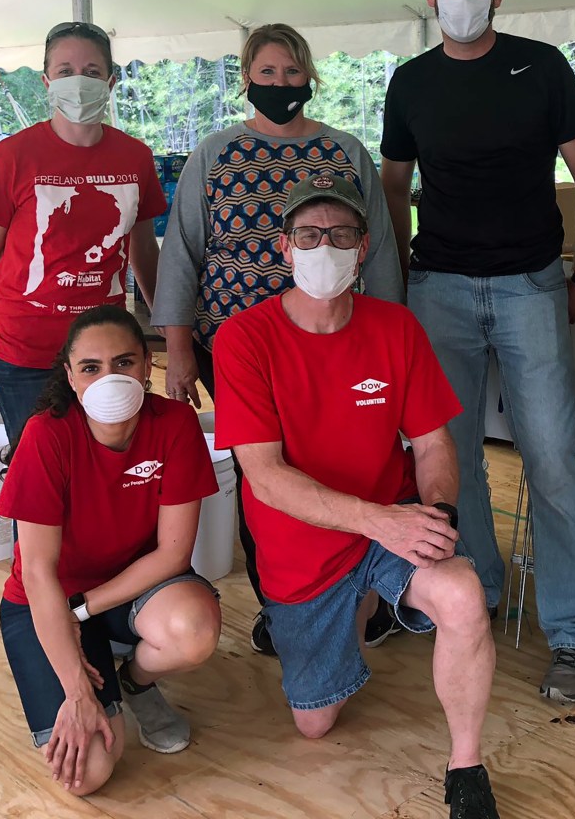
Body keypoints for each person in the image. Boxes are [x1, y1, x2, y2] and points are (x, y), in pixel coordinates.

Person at [212, 175, 501, 819]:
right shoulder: (243, 339)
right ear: (285, 247)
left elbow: (433, 443)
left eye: (341, 234)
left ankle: (466, 766)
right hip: (304, 551)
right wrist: (380, 523)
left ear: (364, 247)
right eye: (309, 234)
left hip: (389, 522)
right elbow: (265, 476)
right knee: (315, 723)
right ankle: (357, 611)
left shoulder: (395, 328)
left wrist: (437, 514)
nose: (325, 247)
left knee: (462, 593)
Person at [380, 0, 575, 703]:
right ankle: (476, 592)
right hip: (437, 287)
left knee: (552, 460)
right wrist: (396, 283)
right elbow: (393, 185)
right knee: (451, 458)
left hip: (530, 286)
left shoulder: (541, 67)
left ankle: (572, 630)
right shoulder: (410, 82)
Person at [154, 22, 403, 657]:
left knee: (348, 462)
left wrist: (391, 338)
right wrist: (178, 349)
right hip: (238, 350)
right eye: (267, 72)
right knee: (265, 476)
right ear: (247, 78)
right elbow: (182, 254)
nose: (281, 83)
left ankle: (365, 593)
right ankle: (281, 605)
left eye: (292, 72)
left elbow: (379, 253)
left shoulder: (344, 152)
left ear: (310, 77)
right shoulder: (216, 154)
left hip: (337, 343)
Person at [0, 305, 222, 797]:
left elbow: (173, 555)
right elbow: (37, 572)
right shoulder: (47, 435)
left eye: (123, 362)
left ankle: (136, 682)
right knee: (90, 773)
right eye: (91, 367)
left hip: (125, 592)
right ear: (70, 377)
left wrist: (82, 611)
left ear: (147, 365)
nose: (109, 378)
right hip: (47, 600)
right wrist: (77, 691)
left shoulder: (175, 422)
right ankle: (96, 684)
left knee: (193, 629)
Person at [0, 21, 166, 449]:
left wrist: (166, 323)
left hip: (105, 351)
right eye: (65, 71)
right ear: (47, 82)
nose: (79, 82)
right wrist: (33, 305)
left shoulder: (134, 157)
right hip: (25, 352)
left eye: (92, 71)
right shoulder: (11, 157)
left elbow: (143, 251)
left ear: (110, 82)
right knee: (42, 466)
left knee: (105, 460)